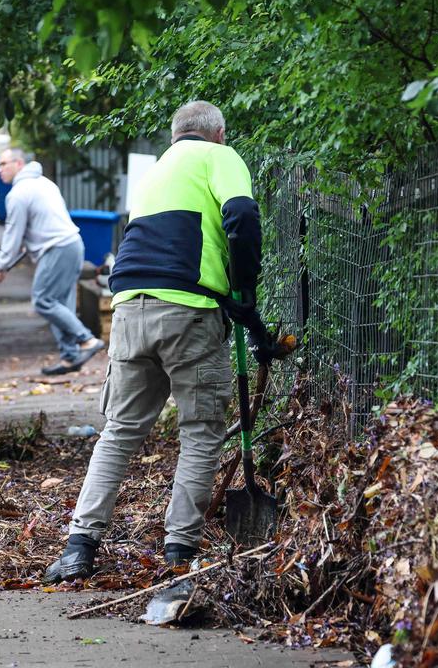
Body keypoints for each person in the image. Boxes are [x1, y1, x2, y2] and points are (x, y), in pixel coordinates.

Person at [44, 101, 275, 582]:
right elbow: (242, 217)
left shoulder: (154, 172)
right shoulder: (221, 156)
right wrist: (244, 290)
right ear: (219, 133)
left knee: (120, 430)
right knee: (201, 431)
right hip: (188, 310)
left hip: (129, 308)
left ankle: (79, 547)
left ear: (174, 137)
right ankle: (178, 554)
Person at [0, 148, 106, 376]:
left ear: (19, 163)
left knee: (43, 300)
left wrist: (0, 267)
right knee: (61, 305)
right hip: (73, 244)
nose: (0, 169)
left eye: (4, 164)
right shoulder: (45, 183)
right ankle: (70, 357)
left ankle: (87, 340)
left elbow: (12, 236)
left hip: (57, 249)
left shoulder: (18, 194)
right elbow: (45, 219)